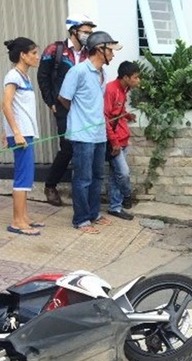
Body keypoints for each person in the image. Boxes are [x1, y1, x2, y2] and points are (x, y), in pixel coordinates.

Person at [58, 31, 121, 233]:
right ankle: (81, 219)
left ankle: (94, 214)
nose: (113, 54)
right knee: (83, 179)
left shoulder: (103, 73)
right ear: (99, 50)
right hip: (82, 135)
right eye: (110, 50)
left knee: (97, 177)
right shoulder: (78, 71)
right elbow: (64, 98)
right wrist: (79, 117)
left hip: (99, 134)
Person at [37, 14, 96, 207]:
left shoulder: (90, 53)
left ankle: (82, 190)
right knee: (68, 147)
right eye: (85, 32)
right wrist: (50, 102)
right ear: (73, 31)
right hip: (62, 107)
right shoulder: (55, 50)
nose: (89, 35)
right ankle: (50, 186)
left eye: (90, 32)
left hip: (83, 110)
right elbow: (43, 77)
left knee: (85, 147)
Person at [2, 37, 42, 236]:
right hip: (21, 134)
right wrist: (15, 133)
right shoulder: (13, 75)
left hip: (25, 132)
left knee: (27, 176)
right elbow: (6, 104)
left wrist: (5, 131)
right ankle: (17, 222)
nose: (37, 57)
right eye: (33, 53)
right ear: (22, 55)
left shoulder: (24, 77)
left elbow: (14, 107)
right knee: (23, 176)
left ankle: (24, 217)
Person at [104, 61, 140, 221]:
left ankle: (115, 207)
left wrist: (127, 115)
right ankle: (127, 195)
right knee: (123, 173)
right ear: (125, 77)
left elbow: (117, 111)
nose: (138, 81)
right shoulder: (111, 89)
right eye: (136, 78)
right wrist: (114, 141)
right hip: (115, 142)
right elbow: (105, 117)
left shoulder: (124, 89)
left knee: (115, 175)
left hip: (122, 138)